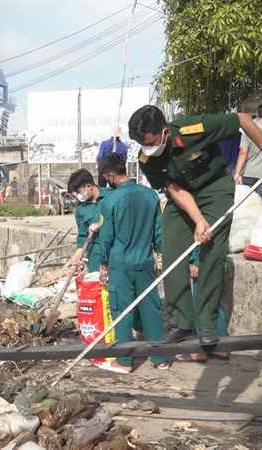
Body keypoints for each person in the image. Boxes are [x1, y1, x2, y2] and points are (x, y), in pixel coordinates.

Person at [128, 105, 262, 348]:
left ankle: (207, 324)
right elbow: (172, 188)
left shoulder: (192, 129)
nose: (148, 149)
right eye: (143, 144)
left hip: (215, 188)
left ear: (165, 131)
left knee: (211, 251)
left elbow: (242, 119)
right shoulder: (146, 158)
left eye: (151, 143)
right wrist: (198, 219)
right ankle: (182, 322)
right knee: (171, 250)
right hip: (182, 195)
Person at [96, 153, 168, 373]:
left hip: (121, 263)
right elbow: (159, 232)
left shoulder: (111, 200)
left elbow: (106, 236)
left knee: (122, 309)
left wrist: (102, 263)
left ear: (110, 174)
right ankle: (160, 358)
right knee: (151, 309)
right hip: (145, 260)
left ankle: (125, 361)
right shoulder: (150, 195)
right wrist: (160, 253)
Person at [185, 247, 229, 362]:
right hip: (217, 258)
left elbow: (202, 237)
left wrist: (196, 261)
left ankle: (202, 348)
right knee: (214, 300)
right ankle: (221, 345)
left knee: (200, 301)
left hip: (203, 259)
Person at [67, 169, 108, 273]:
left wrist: (100, 224)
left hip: (113, 253)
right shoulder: (81, 209)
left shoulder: (111, 196)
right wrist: (78, 254)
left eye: (78, 192)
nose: (78, 196)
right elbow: (82, 236)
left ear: (88, 186)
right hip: (95, 256)